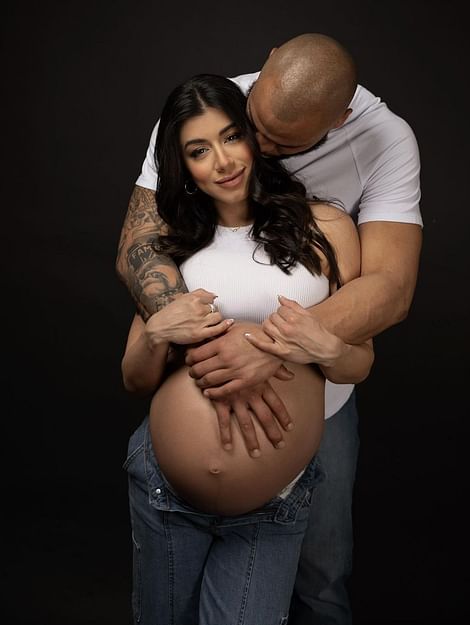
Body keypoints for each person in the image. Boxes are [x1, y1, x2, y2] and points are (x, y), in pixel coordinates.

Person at [116, 33, 422, 625]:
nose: (245, 149)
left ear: (338, 123)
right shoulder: (211, 115)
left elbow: (389, 291)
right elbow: (138, 250)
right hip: (168, 482)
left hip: (307, 436)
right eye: (247, 126)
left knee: (321, 582)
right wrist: (184, 335)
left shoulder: (367, 168)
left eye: (265, 142)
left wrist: (263, 348)